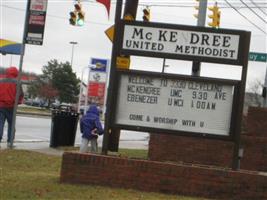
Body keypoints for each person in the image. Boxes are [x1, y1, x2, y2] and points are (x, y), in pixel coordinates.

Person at [0, 66, 24, 148]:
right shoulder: (17, 82)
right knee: (11, 124)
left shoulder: (1, 81)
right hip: (11, 107)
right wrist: (18, 102)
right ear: (16, 73)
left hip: (1, 106)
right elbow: (20, 94)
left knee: (0, 123)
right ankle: (10, 142)